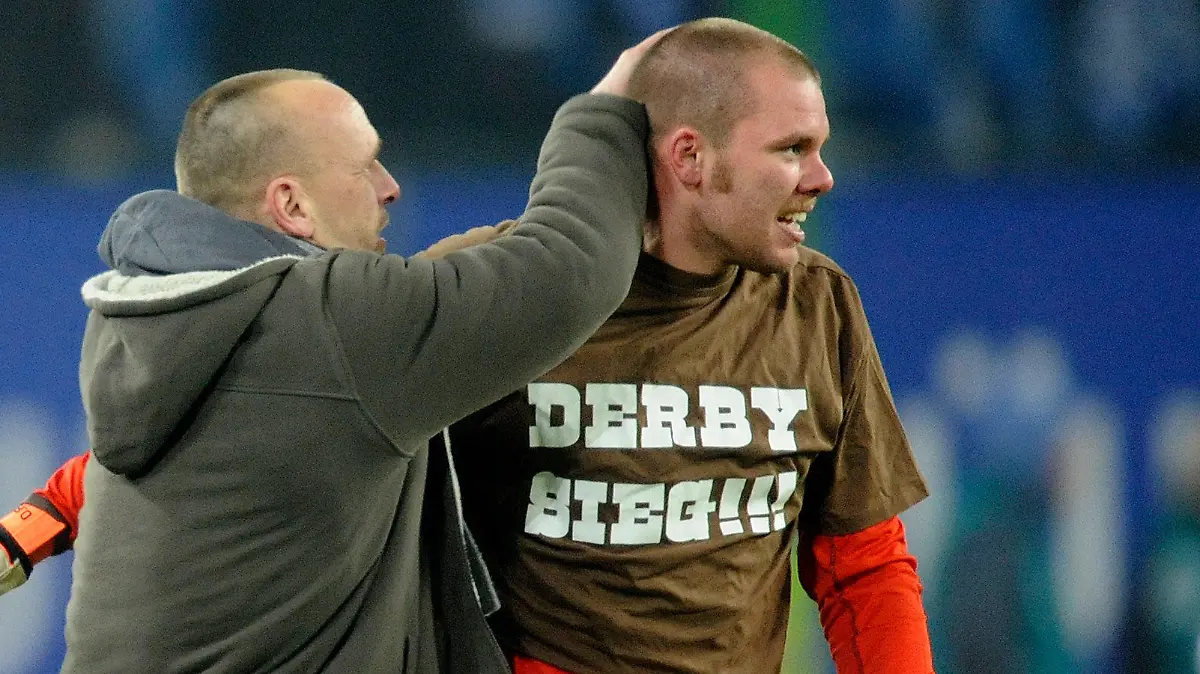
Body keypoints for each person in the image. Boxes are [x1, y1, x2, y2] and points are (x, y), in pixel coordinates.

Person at [3, 18, 934, 674]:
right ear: (690, 157)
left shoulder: (818, 305)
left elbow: (863, 563)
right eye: (792, 147)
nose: (824, 175)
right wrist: (49, 514)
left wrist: (38, 520)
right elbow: (271, 420)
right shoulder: (486, 297)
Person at [0, 29, 663, 673]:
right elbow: (570, 268)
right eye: (363, 164)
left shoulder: (164, 312)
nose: (389, 185)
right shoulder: (336, 323)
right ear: (291, 203)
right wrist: (604, 111)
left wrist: (34, 525)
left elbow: (239, 436)